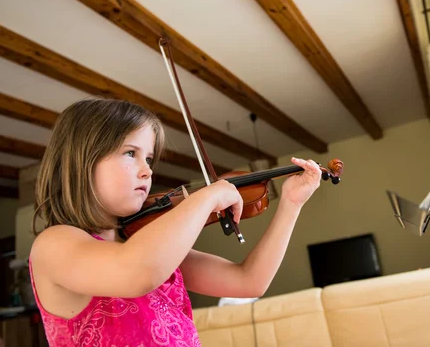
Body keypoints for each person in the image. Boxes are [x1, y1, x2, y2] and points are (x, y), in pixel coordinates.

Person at [29, 97, 322, 346]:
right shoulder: (54, 245)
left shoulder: (145, 242)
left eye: (150, 158)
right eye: (131, 153)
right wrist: (206, 197)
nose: (147, 171)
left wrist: (291, 203)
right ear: (82, 159)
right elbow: (138, 271)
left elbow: (249, 281)